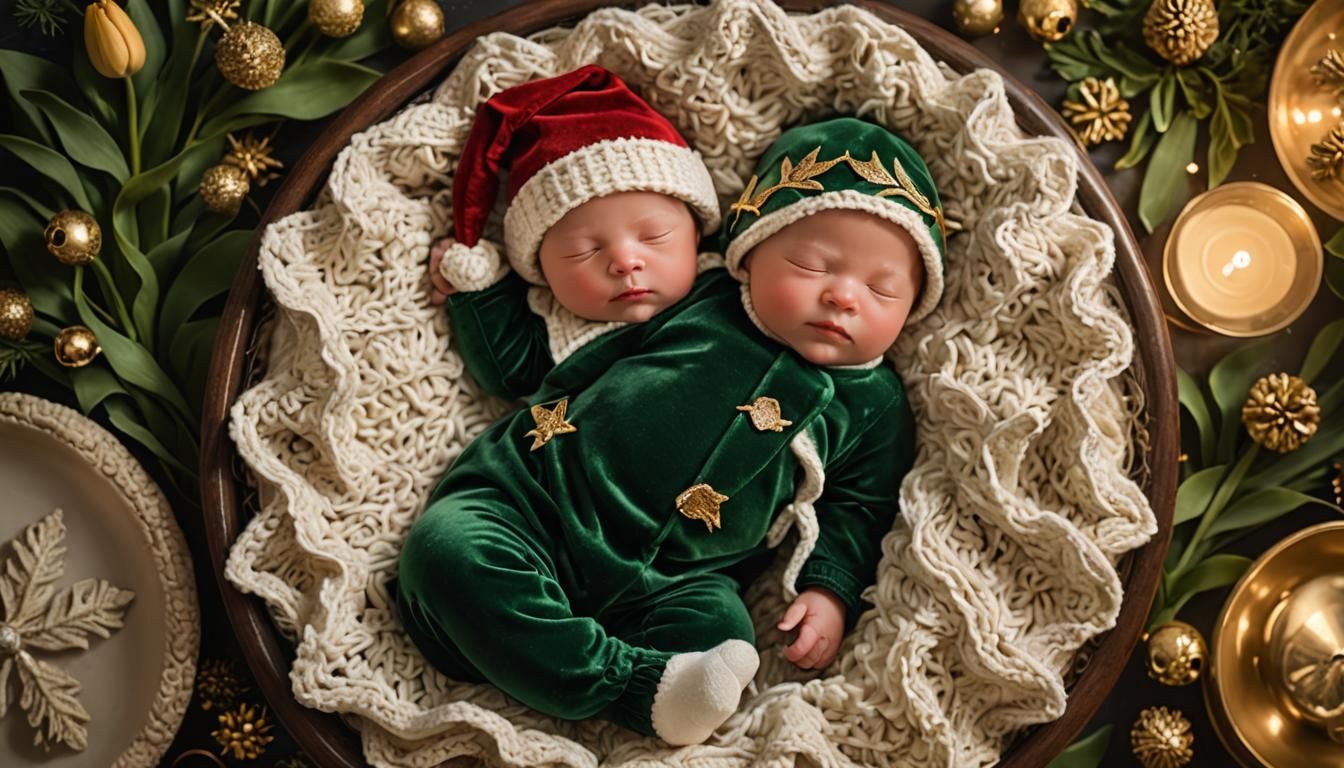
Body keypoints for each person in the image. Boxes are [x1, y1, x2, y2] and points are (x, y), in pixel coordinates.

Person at [397, 105, 947, 745]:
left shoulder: (876, 404)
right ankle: (625, 686)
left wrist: (831, 589)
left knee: (725, 636)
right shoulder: (695, 295)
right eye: (814, 267)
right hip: (534, 502)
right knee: (446, 550)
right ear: (749, 252)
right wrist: (478, 298)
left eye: (882, 291)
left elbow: (860, 507)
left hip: (675, 583)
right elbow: (534, 360)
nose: (844, 296)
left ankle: (638, 679)